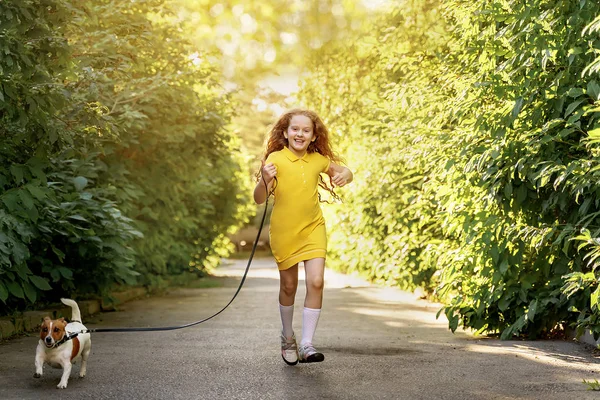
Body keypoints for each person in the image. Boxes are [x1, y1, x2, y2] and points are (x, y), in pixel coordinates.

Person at [254, 109, 353, 365]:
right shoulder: (276, 158)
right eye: (295, 129)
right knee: (288, 286)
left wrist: (346, 174)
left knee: (317, 281)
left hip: (313, 228)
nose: (300, 133)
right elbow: (258, 199)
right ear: (285, 133)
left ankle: (308, 344)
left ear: (313, 135)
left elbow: (342, 170)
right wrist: (264, 179)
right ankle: (288, 338)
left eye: (306, 130)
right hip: (285, 231)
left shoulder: (318, 160)